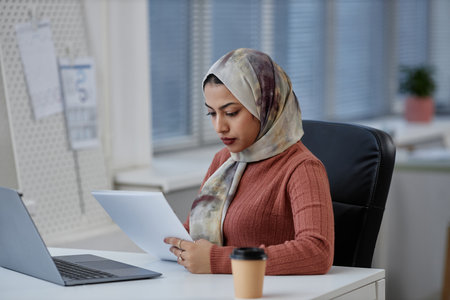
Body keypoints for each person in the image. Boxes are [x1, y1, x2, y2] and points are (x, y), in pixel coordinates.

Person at [164, 48, 334, 275]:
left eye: (231, 112)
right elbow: (194, 235)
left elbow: (317, 252)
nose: (219, 127)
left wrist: (218, 260)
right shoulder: (224, 160)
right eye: (212, 114)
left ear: (266, 108)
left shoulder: (302, 168)